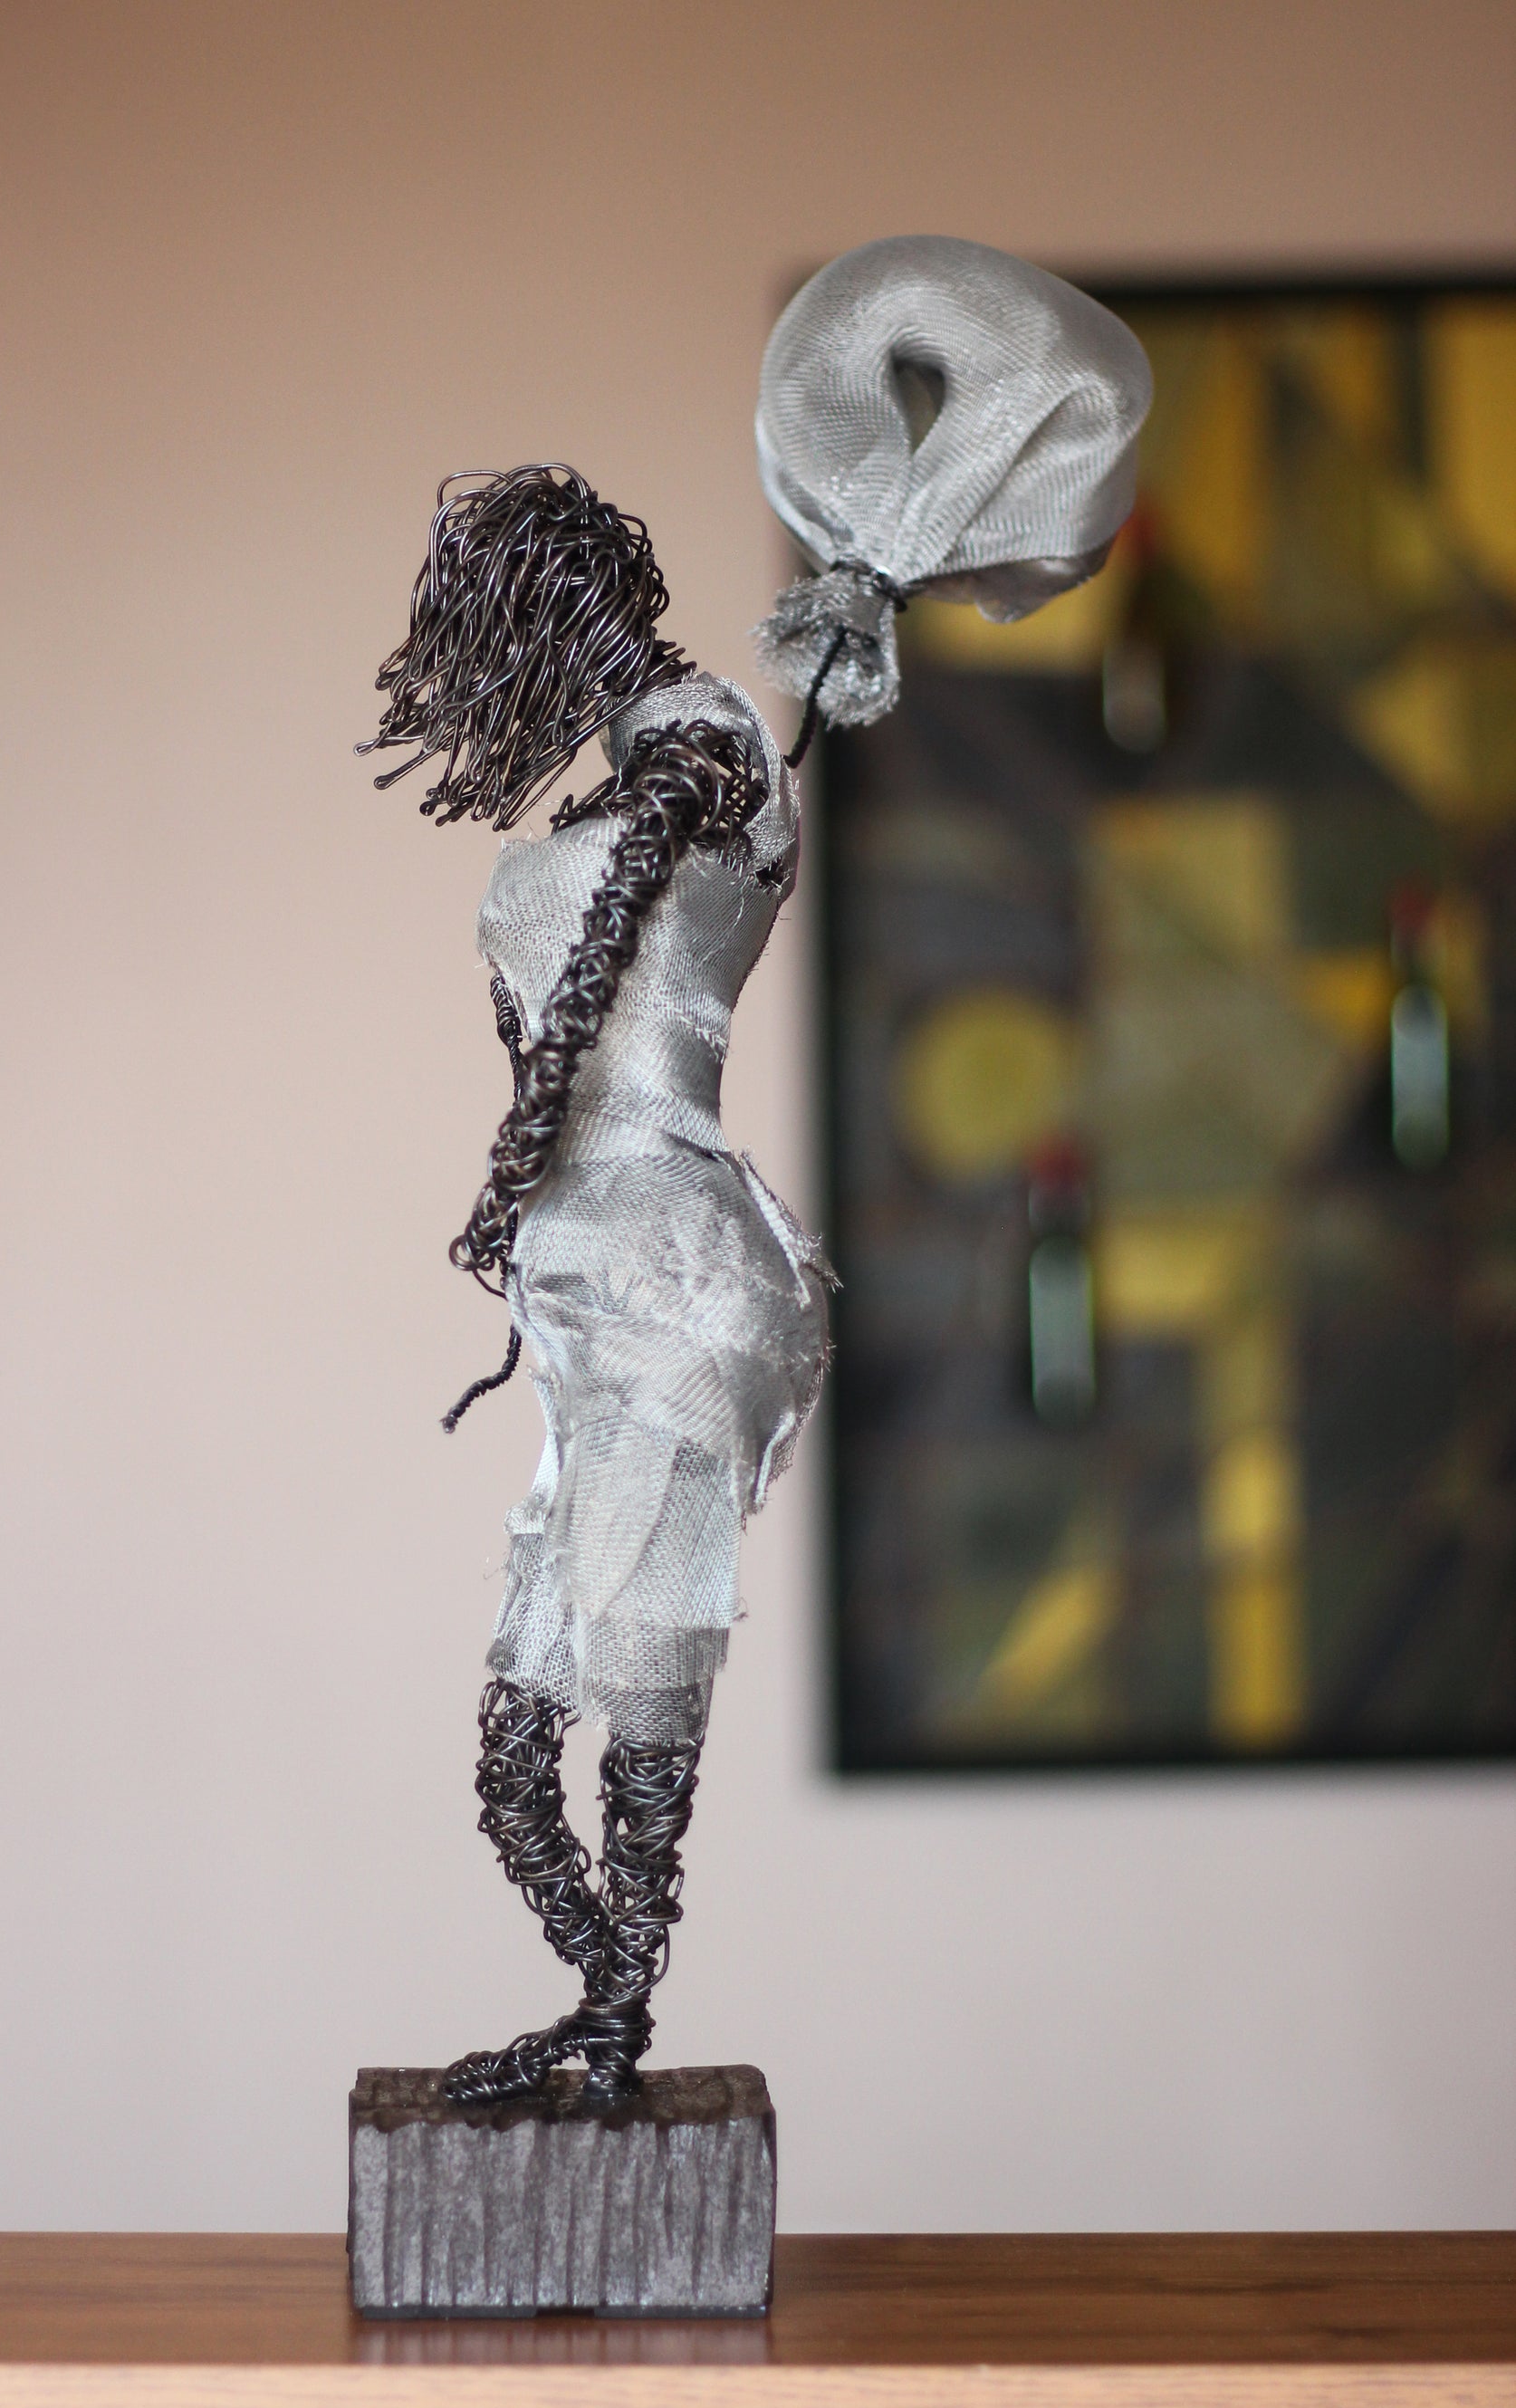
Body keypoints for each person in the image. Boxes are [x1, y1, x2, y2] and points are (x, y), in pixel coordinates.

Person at [361, 240, 1152, 2107]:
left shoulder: (703, 742)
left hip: (663, 1266)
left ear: (550, 604)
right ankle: (601, 1997)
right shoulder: (660, 752)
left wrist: (524, 1136)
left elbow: (642, 897)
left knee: (632, 1706)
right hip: (595, 1281)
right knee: (512, 1766)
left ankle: (614, 2016)